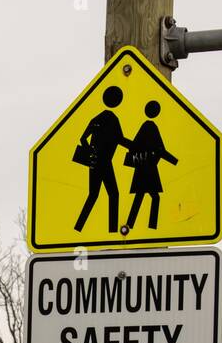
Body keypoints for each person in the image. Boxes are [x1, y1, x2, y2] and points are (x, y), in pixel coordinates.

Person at [73, 86, 132, 233]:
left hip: (94, 163)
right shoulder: (113, 119)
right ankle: (112, 230)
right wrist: (136, 146)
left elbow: (82, 138)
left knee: (93, 195)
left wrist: (90, 151)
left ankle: (78, 227)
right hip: (104, 163)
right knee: (113, 194)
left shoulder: (97, 118)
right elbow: (121, 140)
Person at [124, 101, 177, 231]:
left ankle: (130, 224)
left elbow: (134, 145)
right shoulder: (151, 127)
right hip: (148, 170)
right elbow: (161, 149)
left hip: (142, 168)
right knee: (153, 197)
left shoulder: (145, 126)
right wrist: (174, 161)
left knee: (141, 196)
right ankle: (151, 226)